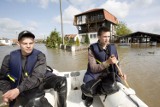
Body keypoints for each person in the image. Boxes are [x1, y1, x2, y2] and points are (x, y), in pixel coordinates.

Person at [0, 30, 67, 107]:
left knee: (62, 81)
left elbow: (37, 77)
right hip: (25, 85)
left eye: (31, 43)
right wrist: (7, 93)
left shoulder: (40, 56)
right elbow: (2, 79)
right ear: (18, 44)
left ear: (34, 43)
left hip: (40, 80)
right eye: (25, 43)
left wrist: (18, 89)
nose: (28, 46)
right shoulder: (8, 59)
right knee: (34, 101)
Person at [81, 26, 126, 107]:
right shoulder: (92, 49)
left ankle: (92, 91)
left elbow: (117, 64)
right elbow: (93, 68)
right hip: (95, 73)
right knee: (87, 88)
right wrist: (107, 62)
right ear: (98, 36)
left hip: (108, 73)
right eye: (105, 36)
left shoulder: (113, 48)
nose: (107, 39)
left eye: (109, 36)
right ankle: (89, 95)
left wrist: (120, 73)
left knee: (115, 85)